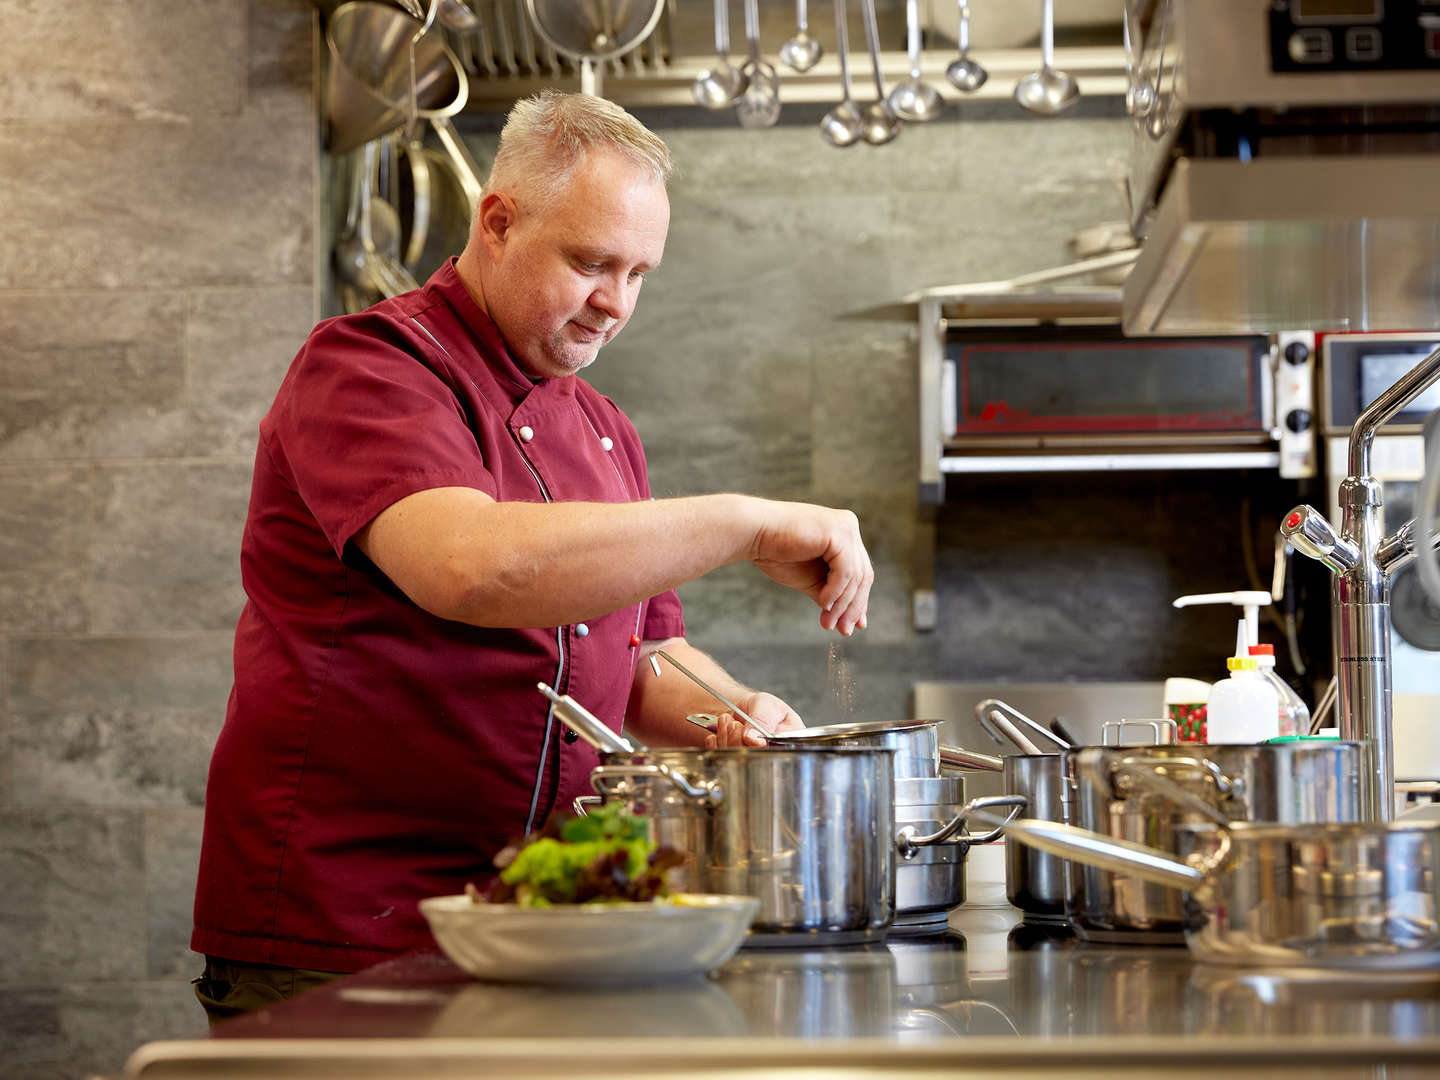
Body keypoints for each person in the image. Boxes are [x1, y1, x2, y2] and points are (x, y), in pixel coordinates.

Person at [190, 90, 874, 1020]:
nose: (616, 304)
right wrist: (745, 524)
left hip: (542, 917)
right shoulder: (369, 367)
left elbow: (640, 657)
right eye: (593, 263)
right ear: (499, 222)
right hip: (351, 922)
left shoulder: (603, 429)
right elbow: (471, 568)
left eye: (639, 273)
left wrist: (734, 709)